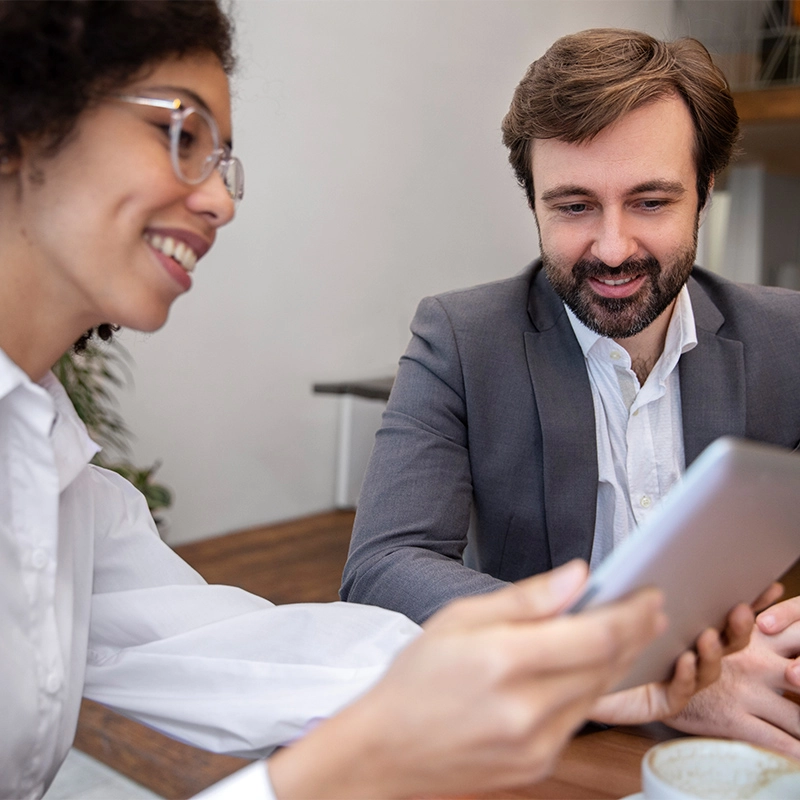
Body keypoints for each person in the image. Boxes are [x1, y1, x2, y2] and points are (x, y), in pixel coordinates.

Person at [0, 6, 753, 799]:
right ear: (20, 121)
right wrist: (340, 770)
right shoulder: (465, 334)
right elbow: (381, 569)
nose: (222, 200)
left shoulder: (69, 489)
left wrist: (587, 670)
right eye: (180, 134)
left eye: (222, 157)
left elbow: (251, 651)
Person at [341, 28, 800, 759]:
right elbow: (383, 565)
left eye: (650, 201)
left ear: (705, 193)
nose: (613, 248)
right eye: (575, 207)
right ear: (534, 204)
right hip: (556, 740)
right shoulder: (460, 339)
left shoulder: (789, 338)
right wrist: (632, 662)